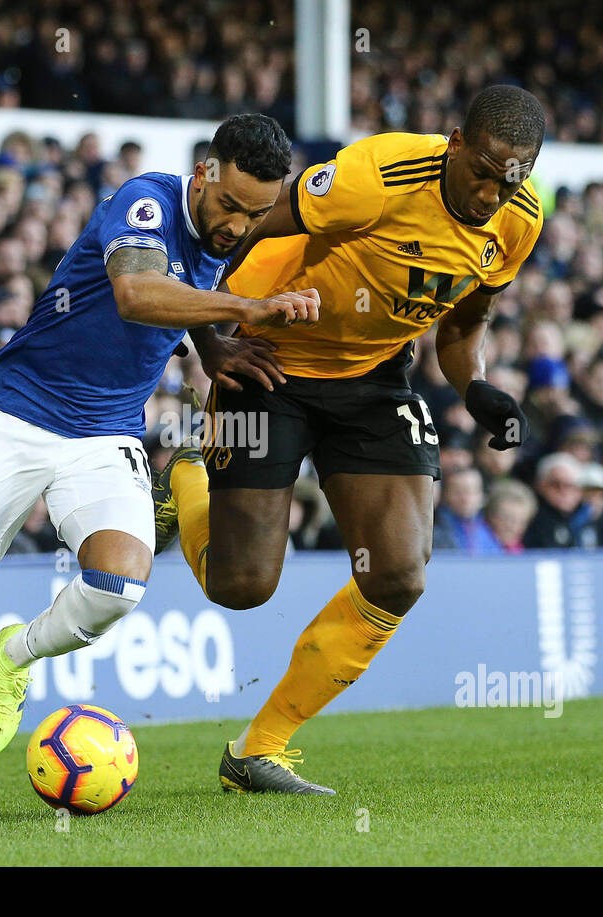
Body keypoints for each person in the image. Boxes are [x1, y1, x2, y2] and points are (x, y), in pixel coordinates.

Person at [0, 114, 319, 809]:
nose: (237, 226)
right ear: (203, 175)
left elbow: (191, 278)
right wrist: (248, 309)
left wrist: (213, 346)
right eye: (229, 207)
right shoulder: (145, 200)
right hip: (13, 416)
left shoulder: (230, 229)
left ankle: (16, 656)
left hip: (105, 435)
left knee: (118, 584)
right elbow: (137, 292)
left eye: (255, 214)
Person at [152, 85, 544, 794]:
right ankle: (185, 473)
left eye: (510, 180)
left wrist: (475, 386)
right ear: (454, 140)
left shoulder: (519, 218)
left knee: (398, 575)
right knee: (240, 586)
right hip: (267, 358)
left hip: (372, 380)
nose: (492, 194)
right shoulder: (376, 177)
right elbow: (228, 232)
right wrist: (209, 340)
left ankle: (258, 750)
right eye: (482, 172)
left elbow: (463, 321)